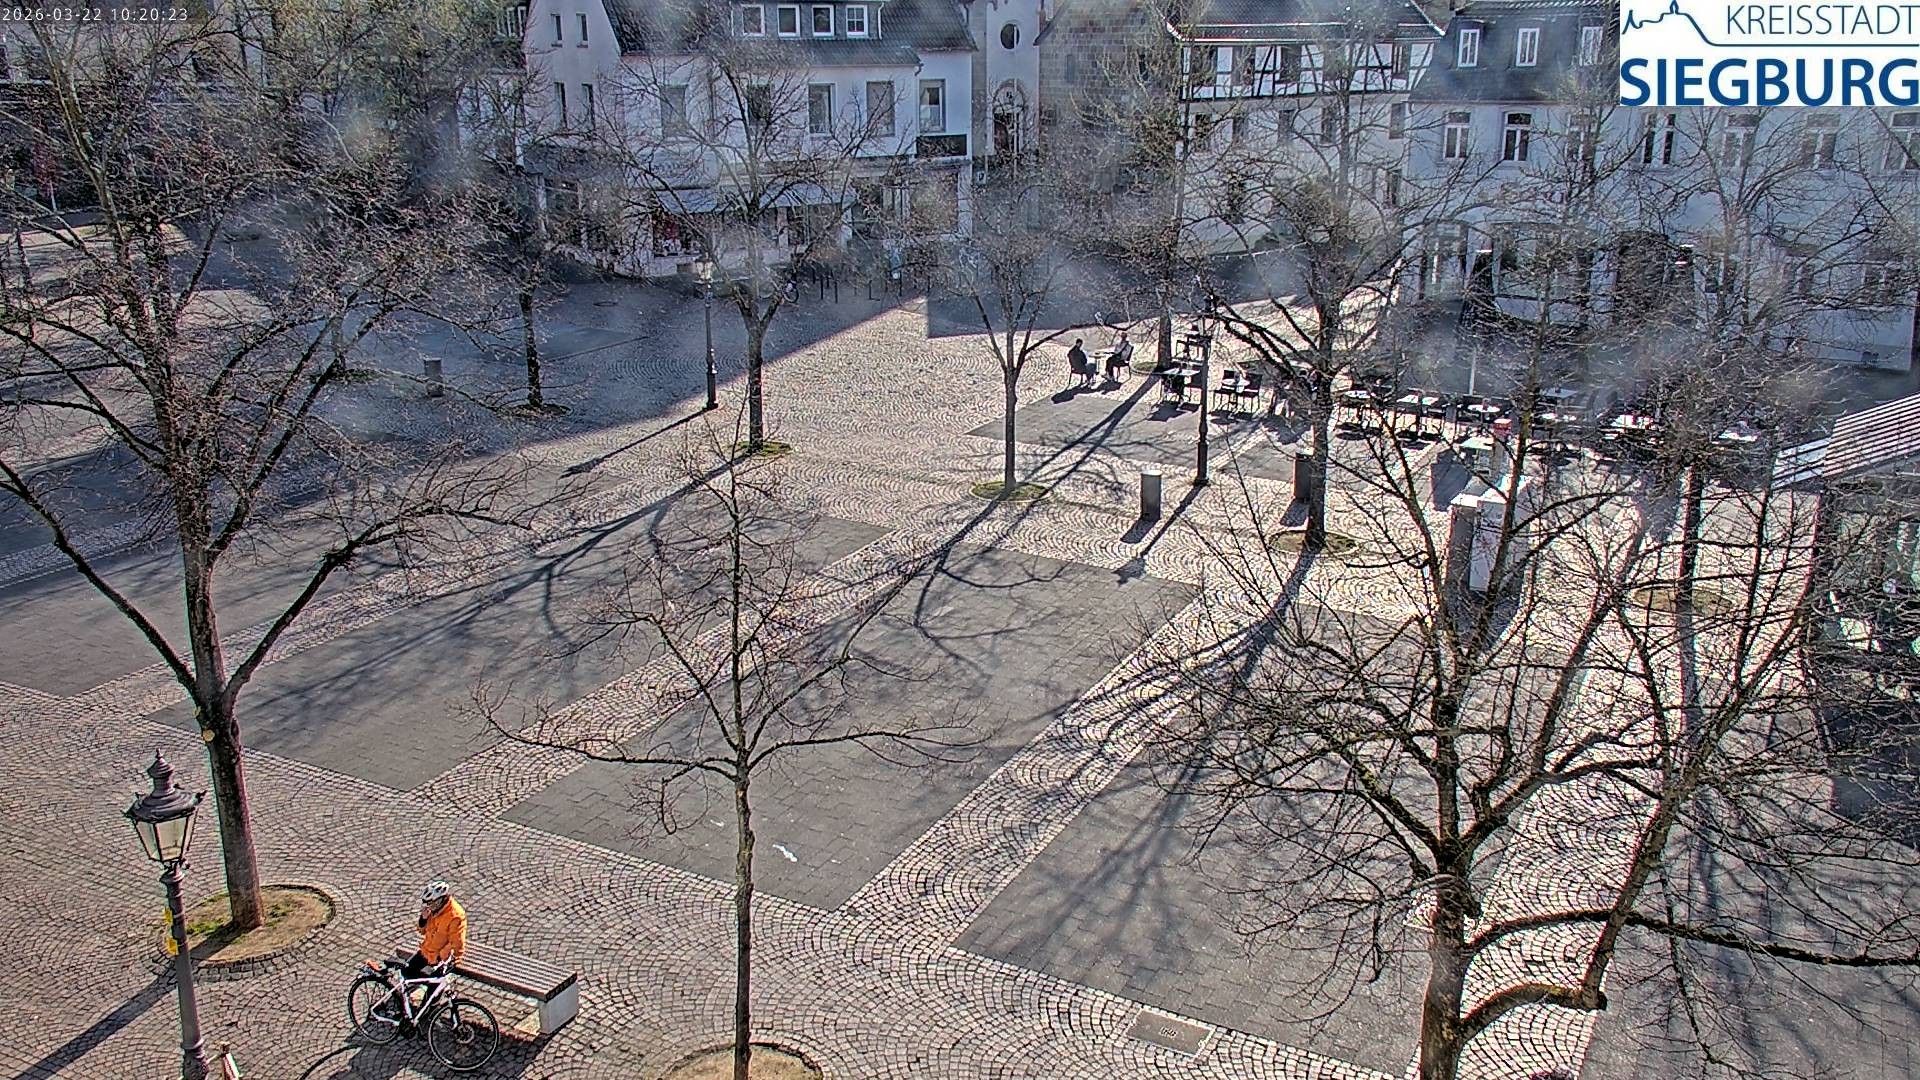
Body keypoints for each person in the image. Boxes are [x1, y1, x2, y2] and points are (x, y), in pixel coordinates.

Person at [401, 880, 467, 1011]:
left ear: (440, 900)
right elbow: (422, 931)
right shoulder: (433, 910)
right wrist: (423, 919)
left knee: (433, 988)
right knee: (406, 973)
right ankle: (410, 1004)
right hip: (427, 951)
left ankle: (429, 1009)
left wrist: (445, 958)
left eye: (431, 903)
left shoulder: (455, 916)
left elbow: (457, 943)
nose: (428, 907)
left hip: (440, 957)